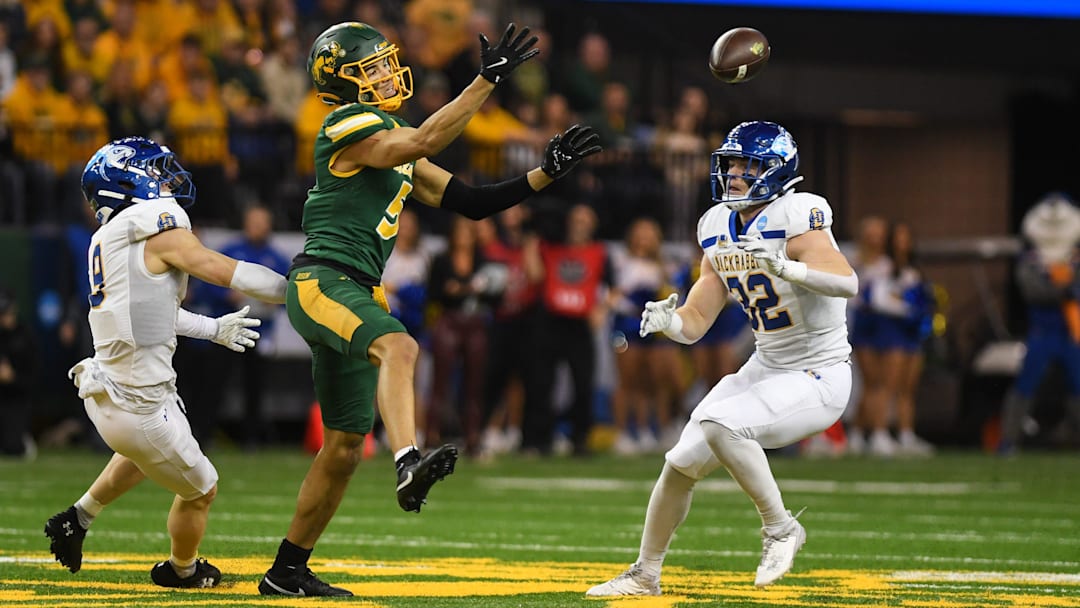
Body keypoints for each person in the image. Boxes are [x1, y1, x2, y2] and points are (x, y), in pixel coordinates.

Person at [260, 22, 600, 597]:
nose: (389, 75)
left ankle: (287, 570)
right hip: (324, 281)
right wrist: (484, 82)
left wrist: (546, 174)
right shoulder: (345, 124)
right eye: (373, 68)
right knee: (401, 344)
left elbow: (467, 202)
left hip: (359, 289)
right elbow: (421, 142)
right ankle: (406, 462)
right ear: (342, 83)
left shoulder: (390, 135)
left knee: (343, 448)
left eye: (387, 63)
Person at [587, 121, 858, 596]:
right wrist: (669, 322)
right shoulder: (717, 226)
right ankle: (645, 573)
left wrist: (789, 267)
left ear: (775, 171)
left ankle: (781, 527)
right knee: (680, 463)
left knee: (719, 421)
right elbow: (695, 321)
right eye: (730, 163)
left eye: (745, 164)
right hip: (766, 366)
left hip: (819, 373)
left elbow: (847, 282)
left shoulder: (798, 215)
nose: (733, 173)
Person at [43, 136, 289, 588]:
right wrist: (297, 289)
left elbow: (150, 315)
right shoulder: (153, 229)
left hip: (108, 393)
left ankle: (77, 518)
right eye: (154, 169)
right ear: (126, 183)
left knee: (143, 456)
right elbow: (224, 269)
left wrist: (214, 329)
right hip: (139, 406)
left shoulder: (114, 240)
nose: (165, 177)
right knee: (201, 489)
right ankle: (183, 570)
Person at [998, 192, 1080, 454]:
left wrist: (1064, 287)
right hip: (1042, 332)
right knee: (1025, 384)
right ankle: (1008, 441)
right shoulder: (1030, 259)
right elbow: (1032, 290)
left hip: (1073, 333)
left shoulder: (1075, 258)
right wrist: (1064, 289)